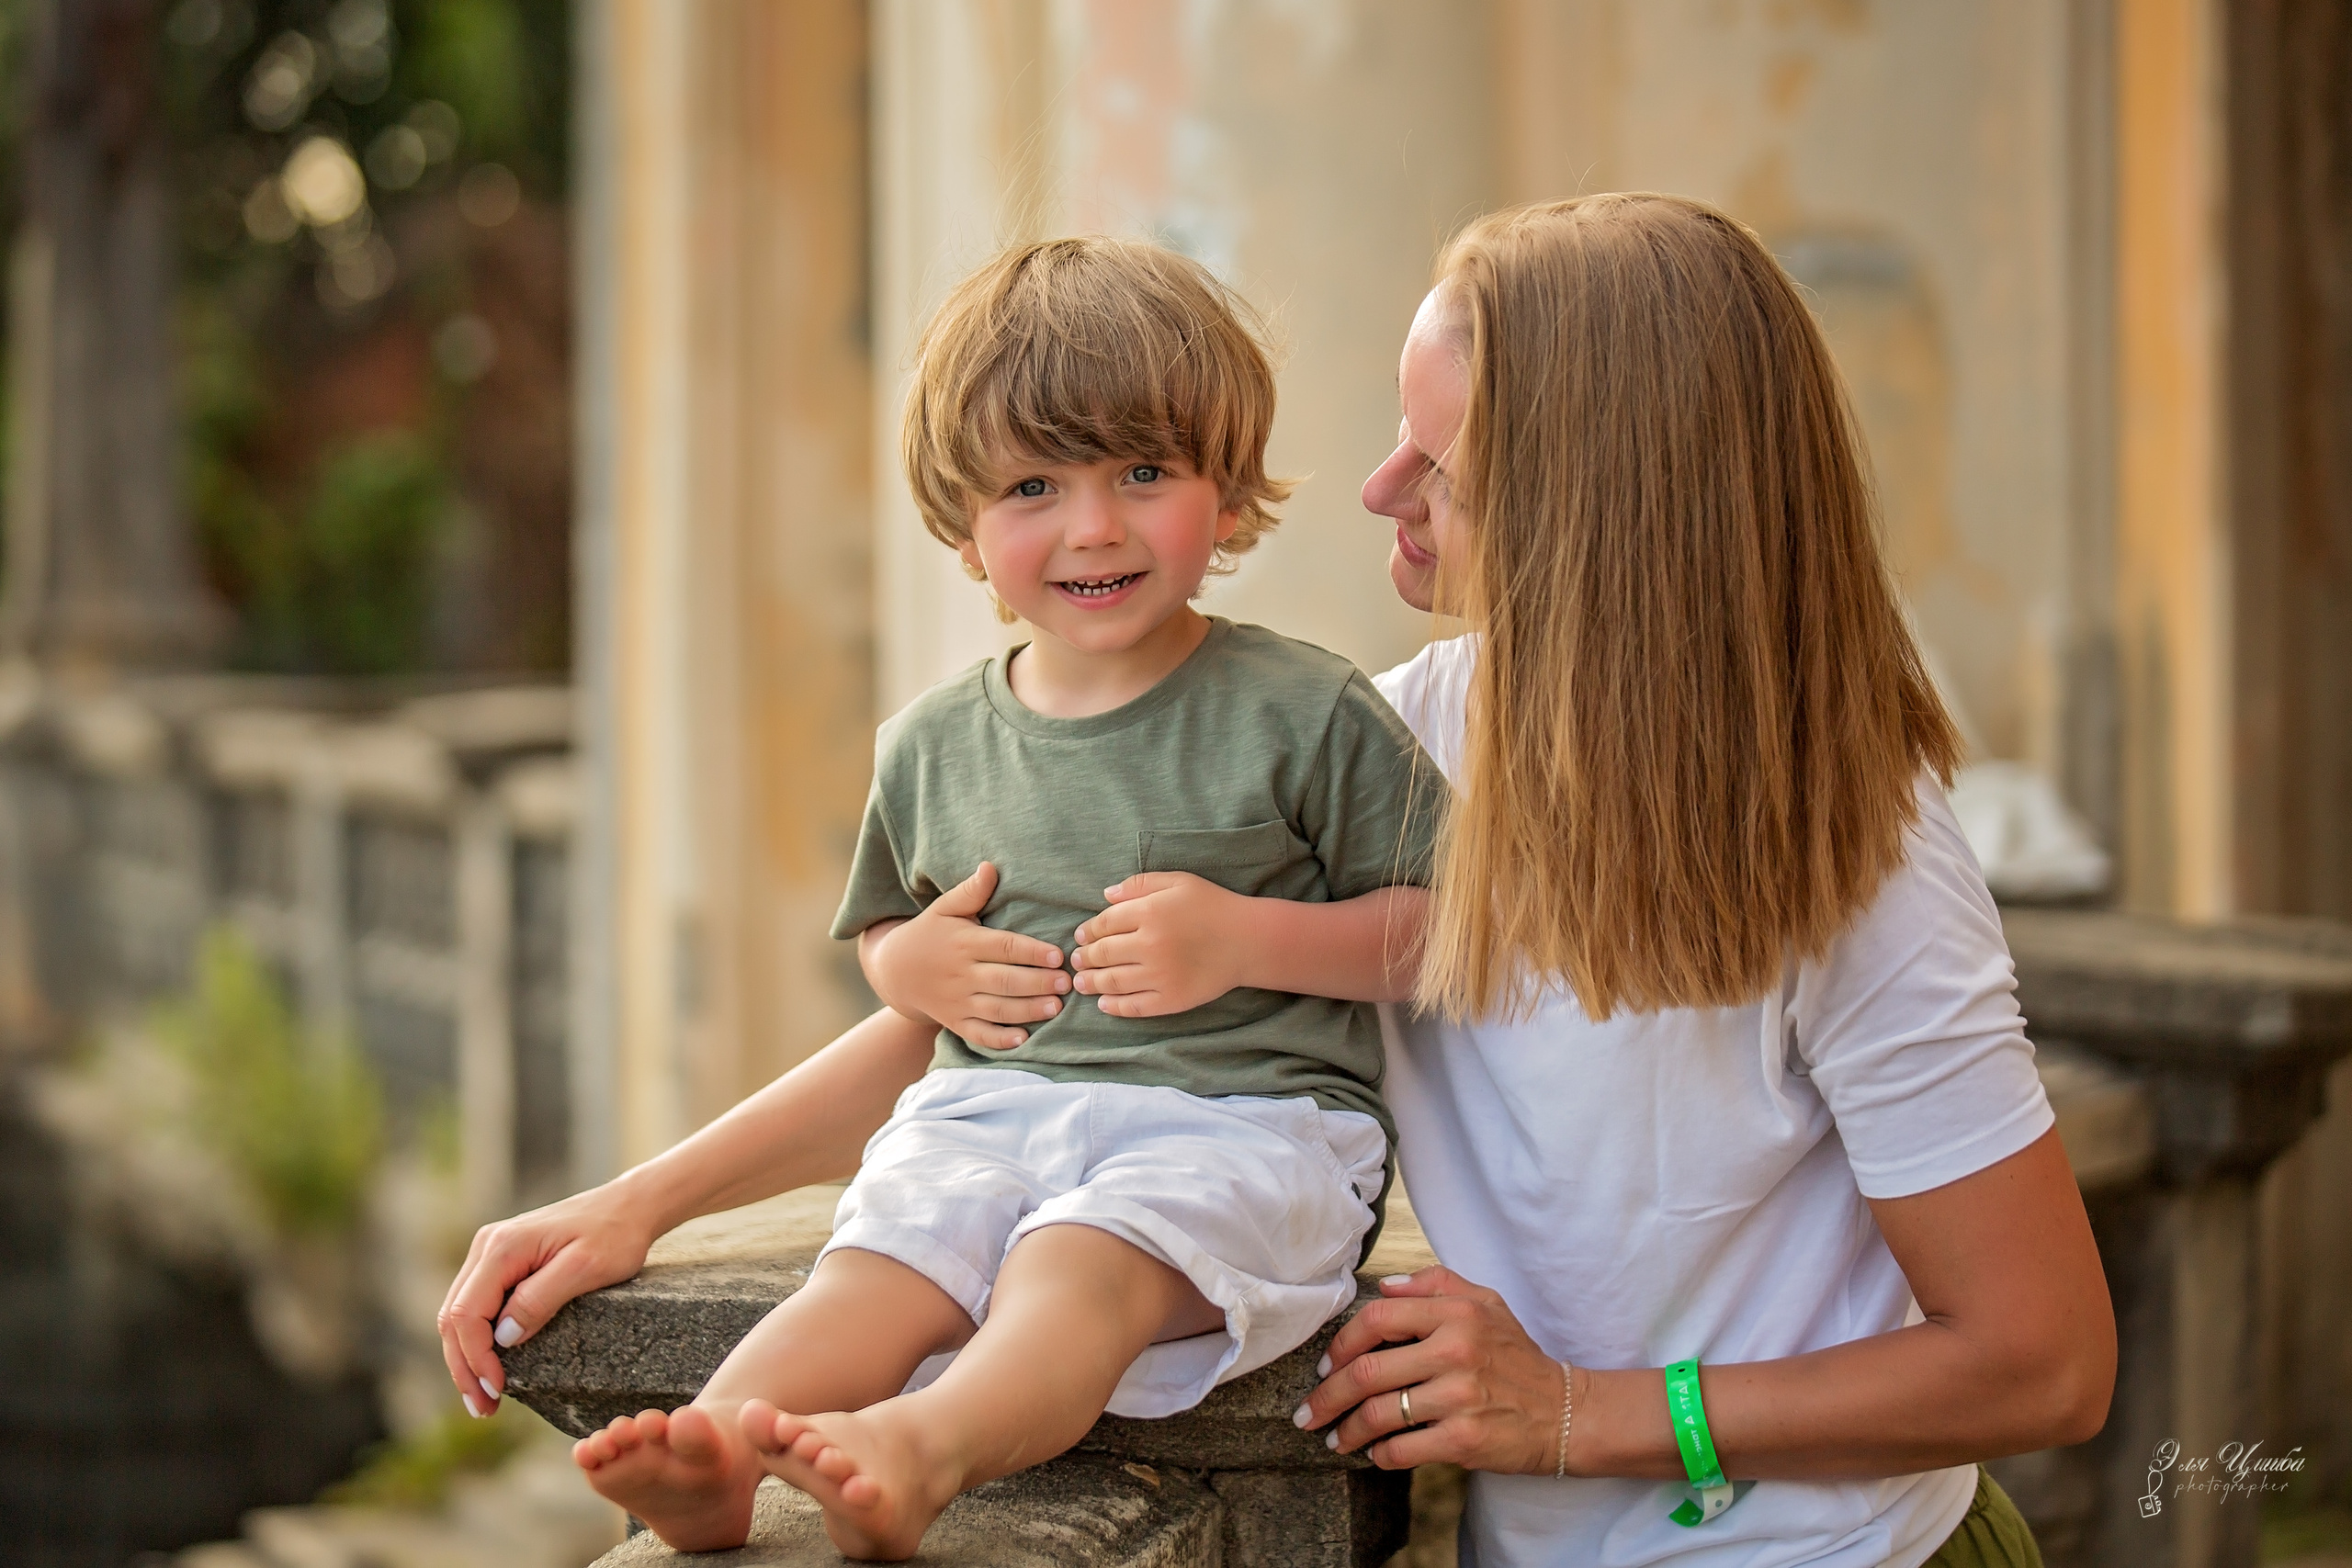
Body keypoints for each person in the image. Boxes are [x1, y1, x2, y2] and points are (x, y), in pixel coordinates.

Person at [441, 196, 2116, 1568]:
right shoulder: (1392, 736)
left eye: (1438, 465)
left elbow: (2042, 1359)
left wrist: (1596, 1412)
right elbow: (1021, 1011)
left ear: (1604, 511)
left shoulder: (1862, 857)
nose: (1379, 488)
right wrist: (639, 1206)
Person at [540, 235, 1442, 1560]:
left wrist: (1248, 936)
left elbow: (1449, 936)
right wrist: (904, 968)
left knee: (1077, 1262)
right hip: (995, 1111)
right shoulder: (931, 745)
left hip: (1240, 1127)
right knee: (882, 1261)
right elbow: (899, 937)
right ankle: (724, 1444)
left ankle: (924, 1446)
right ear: (966, 530)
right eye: (1034, 486)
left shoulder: (1305, 711)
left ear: (1227, 492)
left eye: (1145, 472)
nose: (1093, 526)